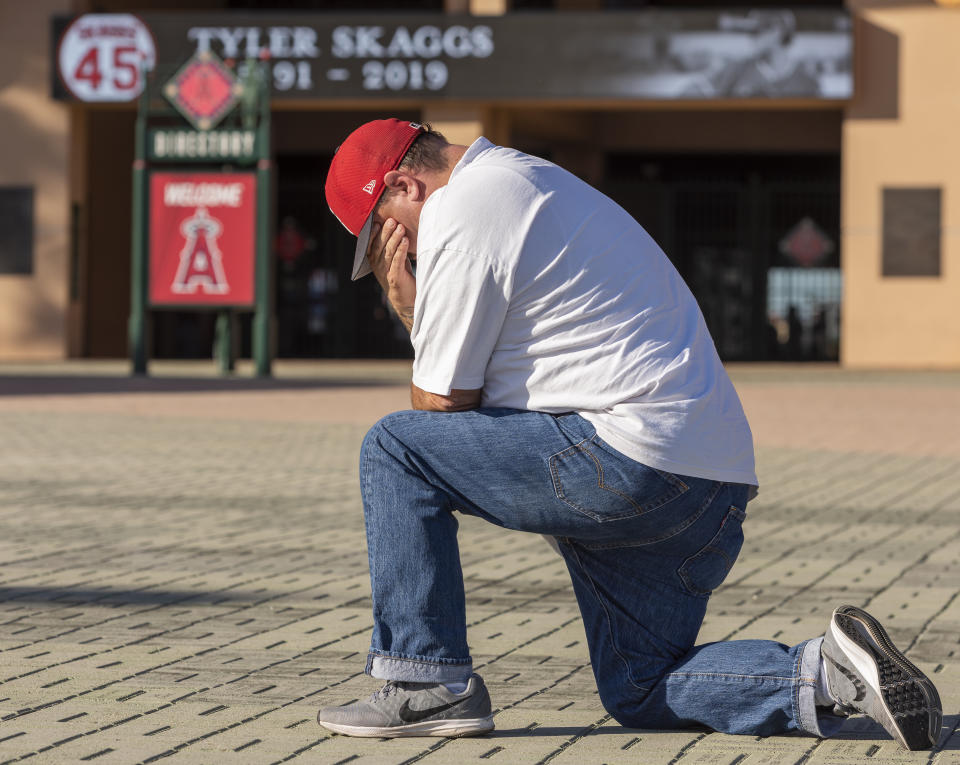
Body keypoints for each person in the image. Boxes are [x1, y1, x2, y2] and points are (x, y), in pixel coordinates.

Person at [316, 119, 941, 748]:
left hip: (628, 462)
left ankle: (427, 686)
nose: (399, 255)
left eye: (387, 235)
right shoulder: (531, 180)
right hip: (708, 490)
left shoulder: (465, 203)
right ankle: (829, 674)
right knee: (640, 688)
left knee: (393, 450)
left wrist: (406, 306)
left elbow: (441, 406)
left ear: (404, 184)